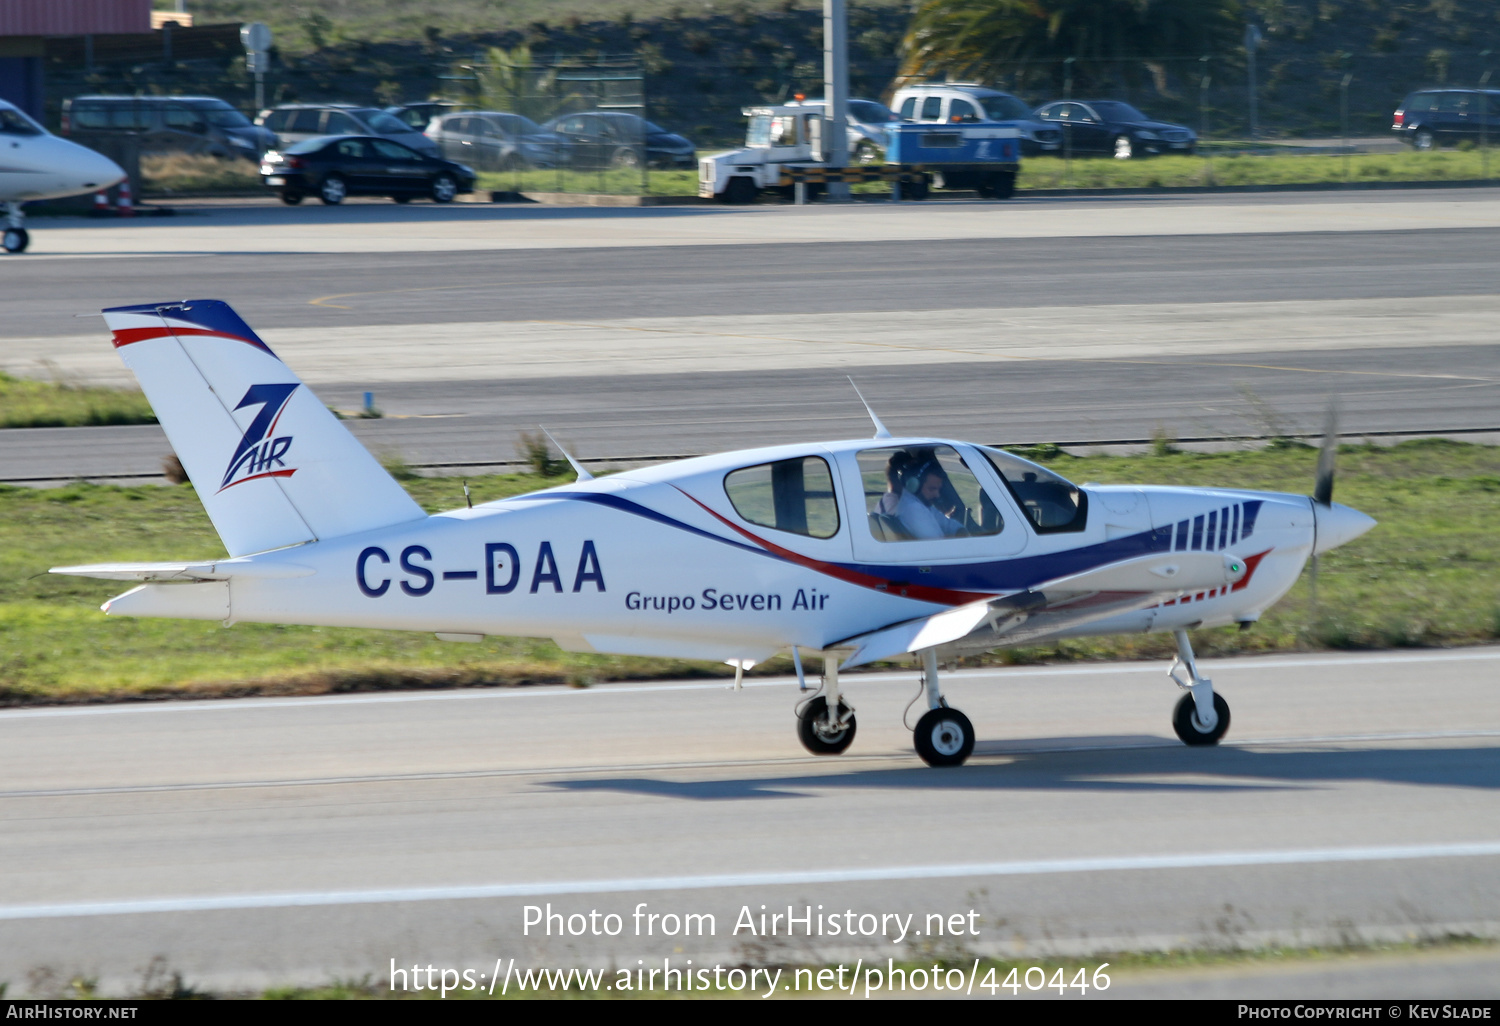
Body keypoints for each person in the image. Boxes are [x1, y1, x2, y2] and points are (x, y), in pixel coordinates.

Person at [889, 458, 964, 540]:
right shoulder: (913, 509)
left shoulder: (922, 504)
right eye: (932, 489)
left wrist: (961, 531)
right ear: (914, 485)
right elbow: (938, 545)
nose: (937, 495)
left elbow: (949, 525)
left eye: (938, 489)